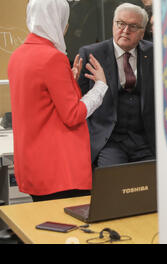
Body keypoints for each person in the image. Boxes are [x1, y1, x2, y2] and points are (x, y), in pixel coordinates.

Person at [7, 0, 108, 202]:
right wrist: (100, 87)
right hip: (60, 170)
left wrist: (68, 81)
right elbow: (73, 115)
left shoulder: (18, 55)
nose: (67, 26)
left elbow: (43, 103)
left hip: (34, 168)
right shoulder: (53, 58)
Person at [78, 3, 156, 167]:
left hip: (145, 138)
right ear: (113, 25)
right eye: (121, 24)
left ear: (142, 33)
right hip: (109, 140)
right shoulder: (92, 54)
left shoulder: (154, 53)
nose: (125, 30)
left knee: (152, 182)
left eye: (133, 26)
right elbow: (79, 102)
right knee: (113, 182)